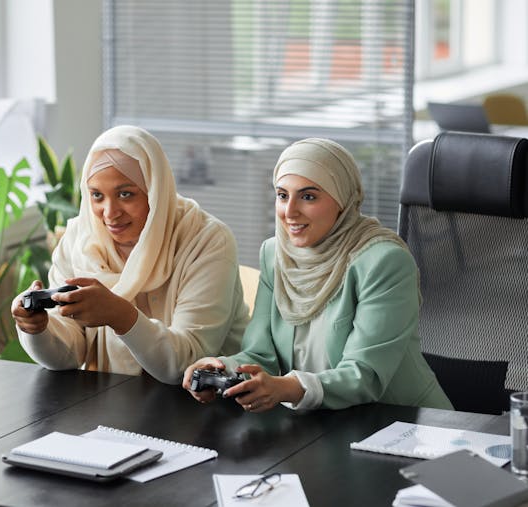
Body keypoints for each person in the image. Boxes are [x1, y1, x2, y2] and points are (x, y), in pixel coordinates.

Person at [182, 138, 453, 411]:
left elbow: (365, 374)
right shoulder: (275, 254)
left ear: (343, 199)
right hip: (322, 423)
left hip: (401, 422)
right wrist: (221, 368)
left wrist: (286, 388)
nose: (289, 212)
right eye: (282, 195)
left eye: (308, 196)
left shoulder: (384, 262)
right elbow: (261, 353)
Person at [11, 125, 249, 384]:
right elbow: (70, 353)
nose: (110, 213)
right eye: (97, 195)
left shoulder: (207, 241)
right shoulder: (80, 240)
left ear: (155, 191)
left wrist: (120, 316)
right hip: (113, 403)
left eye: (125, 194)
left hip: (208, 406)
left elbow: (188, 364)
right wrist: (39, 330)